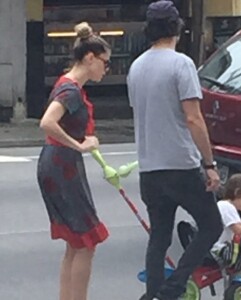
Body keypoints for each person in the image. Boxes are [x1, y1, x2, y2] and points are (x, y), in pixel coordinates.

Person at [127, 1, 223, 299]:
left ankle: (153, 292)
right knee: (211, 224)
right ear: (177, 27)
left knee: (159, 236)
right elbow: (193, 118)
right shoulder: (181, 64)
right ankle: (176, 284)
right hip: (180, 162)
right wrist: (209, 163)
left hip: (149, 165)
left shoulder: (136, 67)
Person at [37, 22, 111, 300]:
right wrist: (78, 145)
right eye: (105, 62)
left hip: (56, 164)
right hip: (62, 165)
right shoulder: (71, 91)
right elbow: (47, 122)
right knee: (85, 242)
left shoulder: (67, 84)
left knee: (75, 241)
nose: (106, 68)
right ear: (90, 58)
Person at [178, 174, 241, 298]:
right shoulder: (228, 207)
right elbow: (239, 230)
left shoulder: (221, 205)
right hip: (217, 250)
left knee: (238, 253)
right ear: (238, 193)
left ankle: (236, 282)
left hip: (209, 248)